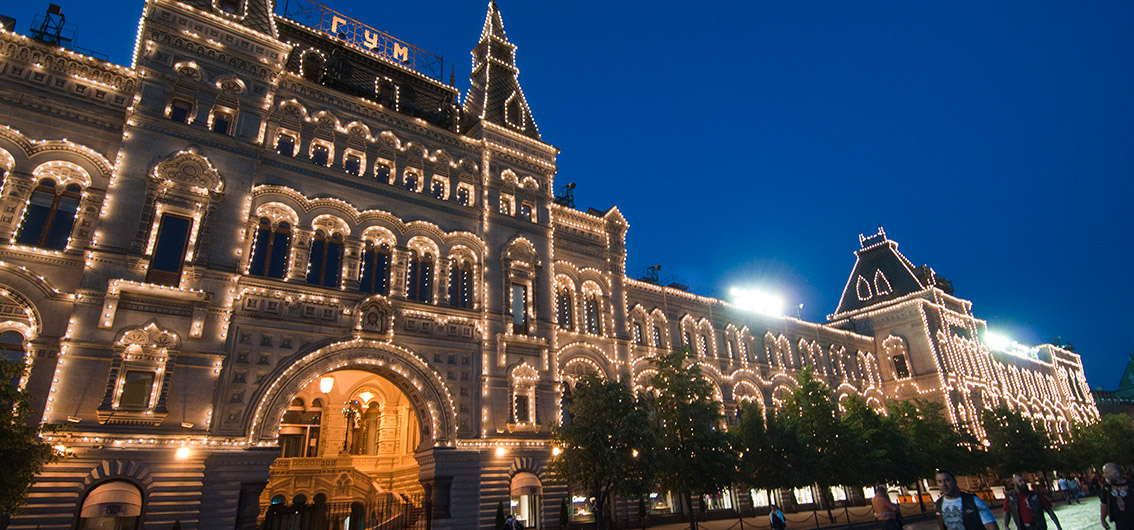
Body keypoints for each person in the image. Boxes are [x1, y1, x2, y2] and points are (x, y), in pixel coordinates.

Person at [1101, 463, 1134, 530]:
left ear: (1117, 474)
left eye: (1107, 473)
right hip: (1119, 523)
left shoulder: (1131, 486)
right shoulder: (1106, 488)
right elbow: (1104, 504)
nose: (1104, 475)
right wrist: (1103, 519)